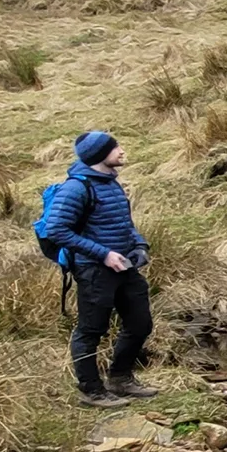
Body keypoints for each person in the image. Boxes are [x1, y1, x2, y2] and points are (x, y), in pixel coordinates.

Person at [45, 131, 159, 408]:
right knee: (91, 330)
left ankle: (120, 378)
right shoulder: (76, 188)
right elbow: (56, 230)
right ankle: (91, 391)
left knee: (140, 323)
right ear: (99, 155)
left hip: (124, 267)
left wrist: (140, 245)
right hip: (93, 271)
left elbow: (123, 222)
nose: (121, 150)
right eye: (115, 147)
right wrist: (104, 254)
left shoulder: (110, 183)